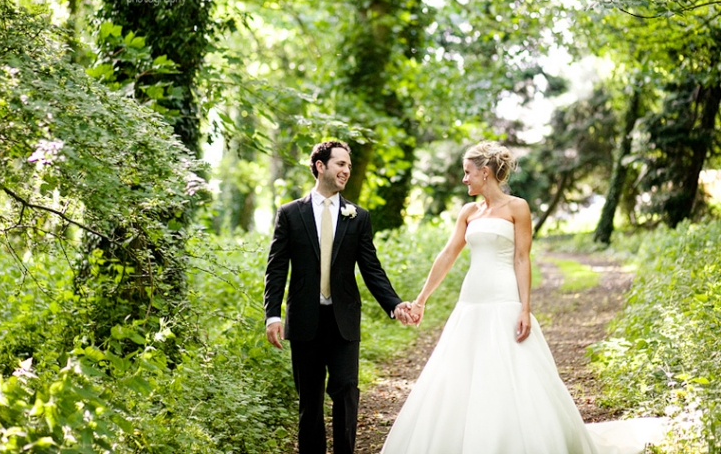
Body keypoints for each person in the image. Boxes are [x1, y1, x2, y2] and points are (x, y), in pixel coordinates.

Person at [381, 141, 667, 454]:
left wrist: (525, 308)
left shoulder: (518, 208)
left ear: (485, 173)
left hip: (505, 297)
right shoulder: (468, 212)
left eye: (468, 172)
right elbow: (448, 254)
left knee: (512, 366)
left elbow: (521, 258)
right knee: (462, 367)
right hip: (471, 299)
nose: (464, 179)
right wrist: (422, 299)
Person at [264, 140, 414, 454]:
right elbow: (276, 267)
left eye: (348, 165)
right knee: (310, 401)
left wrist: (394, 303)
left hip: (343, 319)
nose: (346, 170)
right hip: (305, 319)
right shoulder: (290, 213)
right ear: (321, 166)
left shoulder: (357, 217)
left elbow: (371, 268)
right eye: (340, 164)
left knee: (346, 390)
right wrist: (273, 315)